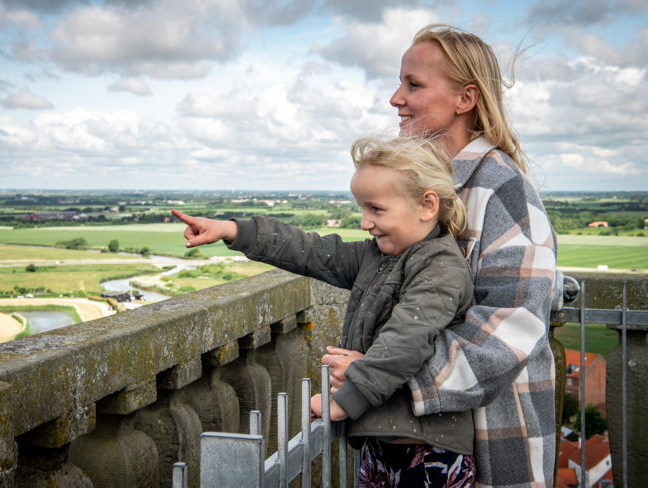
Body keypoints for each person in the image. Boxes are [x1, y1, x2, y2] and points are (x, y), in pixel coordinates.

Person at [323, 24, 557, 487]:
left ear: (465, 98)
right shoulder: (424, 183)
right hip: (419, 441)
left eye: (413, 84)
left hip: (494, 438)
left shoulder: (500, 187)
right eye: (399, 82)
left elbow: (513, 325)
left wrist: (379, 377)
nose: (395, 98)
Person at [173, 134, 477, 487]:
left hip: (429, 456)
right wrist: (235, 230)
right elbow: (310, 251)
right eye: (362, 209)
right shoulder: (376, 257)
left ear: (427, 205)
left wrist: (346, 400)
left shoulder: (440, 267)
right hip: (384, 446)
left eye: (376, 210)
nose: (365, 223)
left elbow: (406, 341)